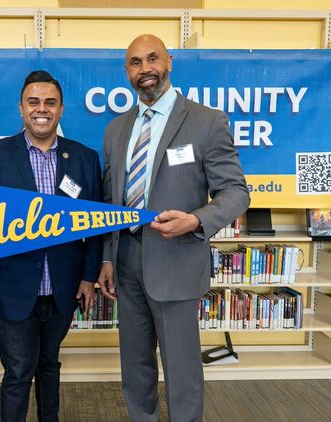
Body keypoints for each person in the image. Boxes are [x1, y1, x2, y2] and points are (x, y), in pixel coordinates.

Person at [99, 34, 250, 421]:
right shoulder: (117, 130)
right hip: (127, 260)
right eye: (135, 62)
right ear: (127, 71)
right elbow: (108, 200)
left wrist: (197, 219)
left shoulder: (206, 121)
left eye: (152, 59)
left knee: (182, 372)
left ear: (169, 62)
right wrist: (107, 259)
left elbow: (236, 193)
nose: (144, 69)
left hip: (176, 261)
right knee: (135, 368)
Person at [0, 70, 102, 422]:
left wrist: (87, 278)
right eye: (33, 102)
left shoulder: (84, 158)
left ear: (61, 109)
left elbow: (95, 227)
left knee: (50, 364)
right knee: (19, 371)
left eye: (50, 102)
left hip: (63, 290)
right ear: (20, 108)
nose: (42, 109)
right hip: (11, 290)